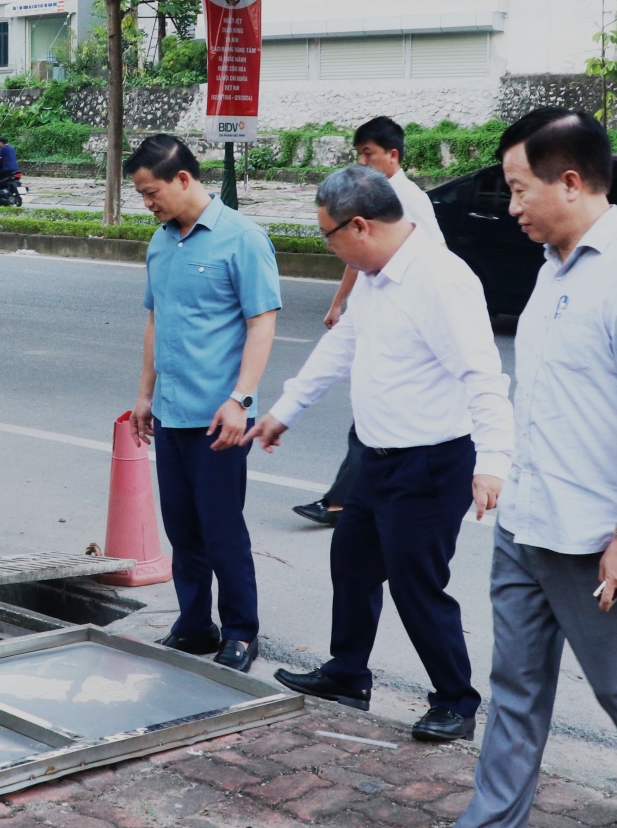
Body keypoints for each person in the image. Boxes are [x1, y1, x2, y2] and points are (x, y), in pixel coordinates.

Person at [389, 108, 617, 828]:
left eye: (521, 189)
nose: (513, 206)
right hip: (526, 524)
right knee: (515, 690)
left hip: (593, 539)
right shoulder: (554, 269)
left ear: (569, 180)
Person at [244, 166, 513, 742]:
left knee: (417, 585)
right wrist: (286, 410)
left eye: (327, 236)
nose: (329, 247)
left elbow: (483, 374)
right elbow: (341, 345)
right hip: (377, 456)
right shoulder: (377, 274)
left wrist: (493, 461)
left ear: (359, 226)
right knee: (354, 564)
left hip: (431, 461)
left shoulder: (441, 279)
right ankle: (347, 675)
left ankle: (456, 702)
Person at [125, 134, 281, 673]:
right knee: (182, 529)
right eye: (142, 195)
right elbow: (155, 319)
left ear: (184, 179)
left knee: (221, 528)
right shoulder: (161, 242)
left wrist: (241, 399)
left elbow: (262, 321)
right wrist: (145, 394)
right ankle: (195, 623)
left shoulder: (242, 238)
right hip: (170, 412)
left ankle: (240, 631)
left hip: (222, 418)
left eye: (151, 192)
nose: (148, 203)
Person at [292, 116, 446, 527]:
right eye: (358, 155)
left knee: (372, 418)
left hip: (402, 318)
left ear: (392, 155)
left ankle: (346, 502)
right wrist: (342, 302)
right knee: (367, 411)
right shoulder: (373, 196)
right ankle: (348, 501)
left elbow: (439, 252)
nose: (362, 162)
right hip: (374, 308)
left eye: (368, 155)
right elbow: (359, 257)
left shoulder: (405, 199)